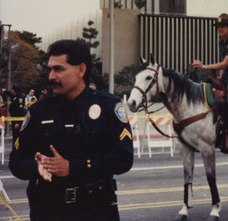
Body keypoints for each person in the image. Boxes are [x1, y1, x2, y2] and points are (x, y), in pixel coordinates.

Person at [9, 39, 134, 221]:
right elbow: (16, 161)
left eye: (58, 69)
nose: (51, 76)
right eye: (50, 69)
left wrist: (73, 167)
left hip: (96, 210)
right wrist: (37, 167)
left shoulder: (107, 106)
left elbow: (123, 158)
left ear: (81, 70)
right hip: (48, 210)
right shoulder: (39, 110)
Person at [192, 13, 228, 153]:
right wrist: (219, 79)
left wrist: (204, 67)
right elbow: (223, 66)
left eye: (223, 26)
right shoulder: (222, 41)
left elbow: (225, 63)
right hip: (226, 77)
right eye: (218, 26)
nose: (219, 29)